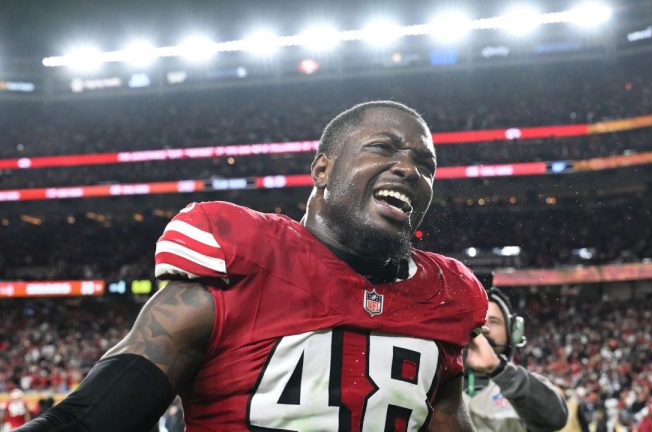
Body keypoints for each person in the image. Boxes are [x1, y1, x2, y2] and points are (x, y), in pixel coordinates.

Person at [18, 101, 488, 431]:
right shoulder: (243, 257)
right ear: (322, 170)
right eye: (383, 148)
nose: (409, 169)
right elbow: (88, 420)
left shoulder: (447, 297)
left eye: (425, 164)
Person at [464, 288, 568, 432]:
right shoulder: (436, 380)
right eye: (476, 322)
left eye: (493, 322)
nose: (483, 329)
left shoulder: (528, 386)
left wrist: (499, 370)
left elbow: (555, 418)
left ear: (512, 331)